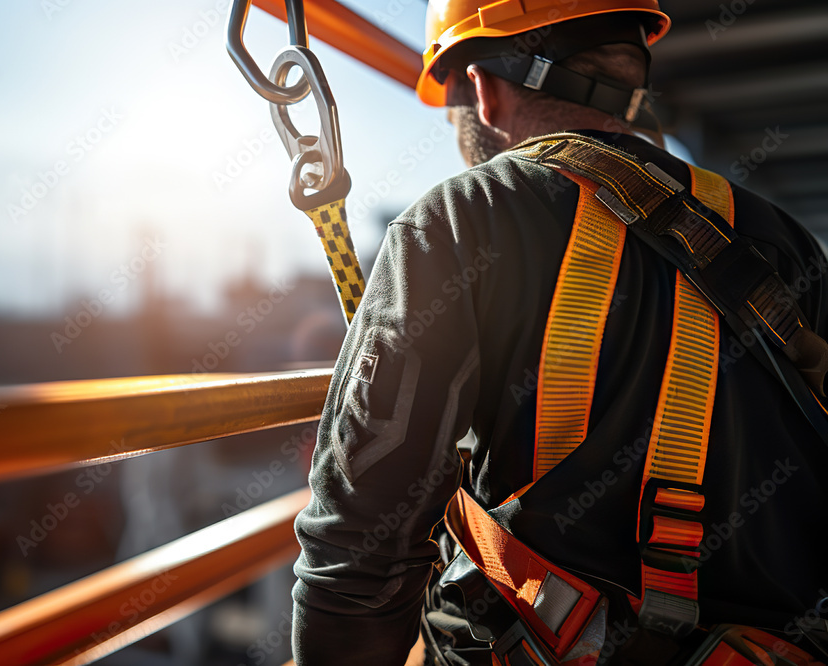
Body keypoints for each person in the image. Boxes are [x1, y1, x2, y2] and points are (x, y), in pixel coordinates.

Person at [290, 2, 828, 665]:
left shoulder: (461, 220)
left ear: (482, 91)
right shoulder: (786, 243)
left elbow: (358, 551)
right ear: (633, 72)